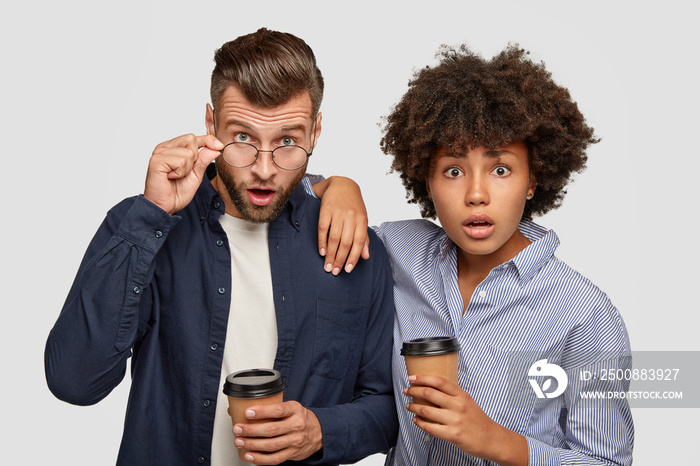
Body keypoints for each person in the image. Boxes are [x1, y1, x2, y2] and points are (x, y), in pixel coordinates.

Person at [44, 28, 397, 466]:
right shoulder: (143, 227)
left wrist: (321, 432)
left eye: (288, 141)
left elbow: (389, 406)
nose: (265, 170)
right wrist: (152, 215)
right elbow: (74, 381)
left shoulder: (354, 246)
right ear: (210, 124)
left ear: (316, 130)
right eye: (243, 138)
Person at [317, 44, 634, 465]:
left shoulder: (584, 315)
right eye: (453, 170)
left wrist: (494, 440)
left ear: (533, 179)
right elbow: (282, 191)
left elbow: (608, 461)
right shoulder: (400, 251)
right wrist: (339, 186)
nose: (476, 194)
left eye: (500, 169)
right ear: (427, 182)